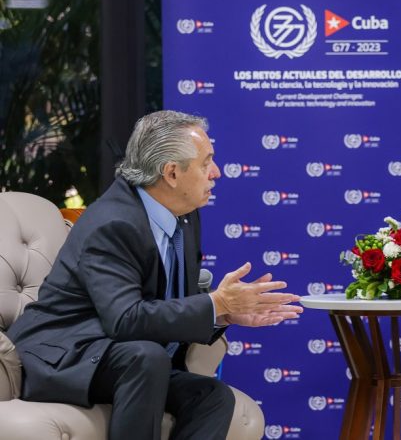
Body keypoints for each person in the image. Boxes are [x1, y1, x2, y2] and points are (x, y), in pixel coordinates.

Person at [8, 111, 303, 440]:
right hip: (64, 354)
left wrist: (224, 313)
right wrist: (214, 304)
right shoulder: (113, 223)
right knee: (146, 357)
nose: (216, 173)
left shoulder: (186, 218)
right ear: (172, 173)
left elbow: (169, 307)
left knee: (213, 397)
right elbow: (125, 319)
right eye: (207, 163)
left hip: (122, 357)